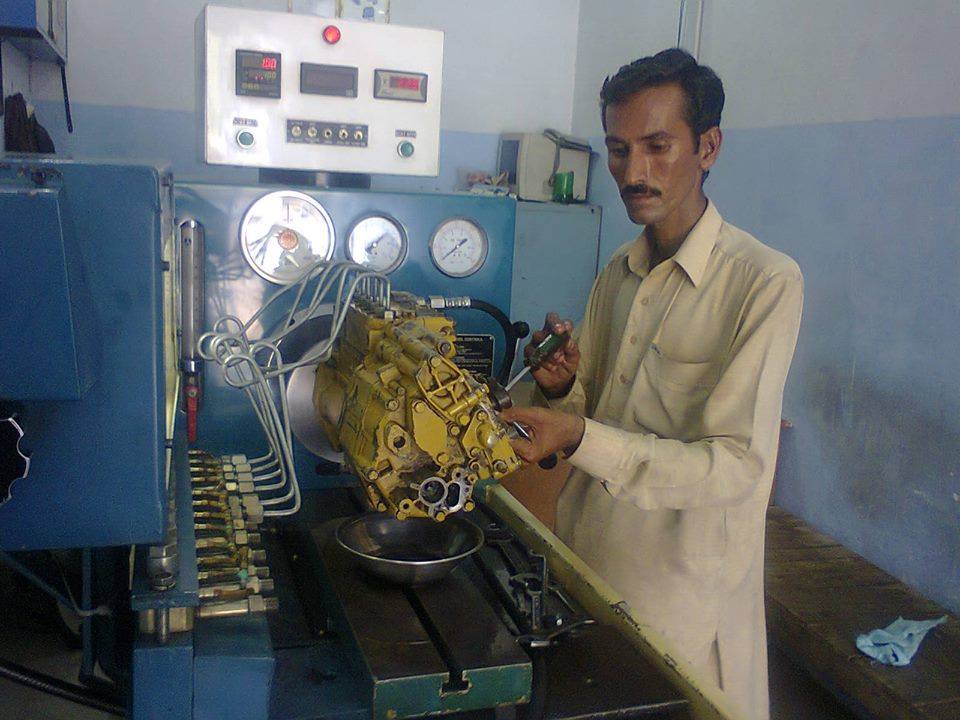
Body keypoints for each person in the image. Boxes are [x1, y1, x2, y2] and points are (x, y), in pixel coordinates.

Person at [500, 48, 803, 720]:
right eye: (618, 149)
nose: (633, 173)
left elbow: (736, 467)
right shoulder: (620, 269)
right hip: (585, 561)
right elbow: (592, 408)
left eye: (657, 146)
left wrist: (578, 434)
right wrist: (561, 390)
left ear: (708, 147)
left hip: (680, 598)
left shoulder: (763, 282)